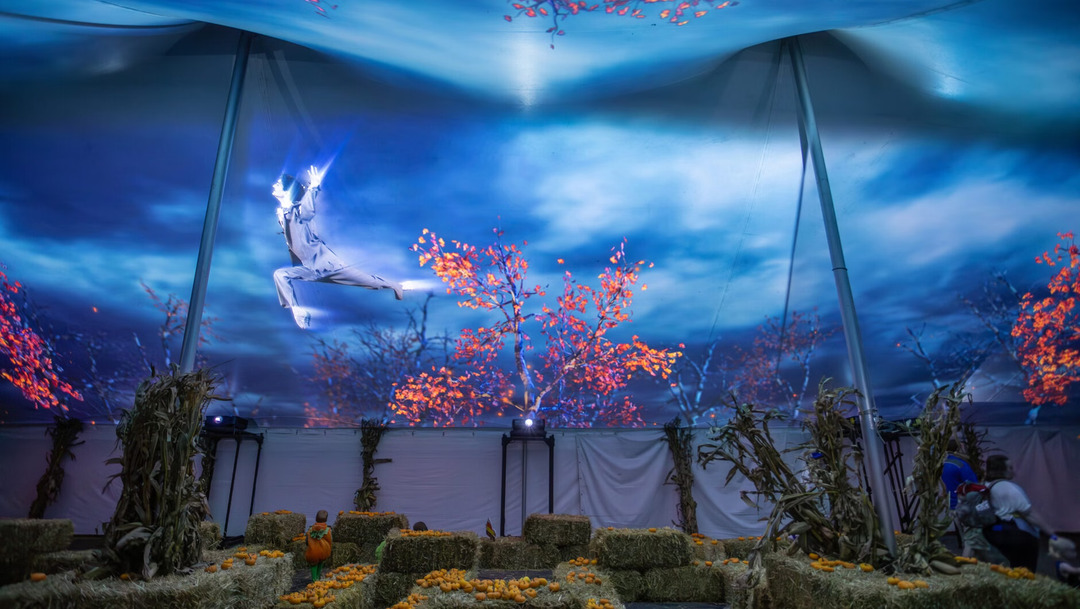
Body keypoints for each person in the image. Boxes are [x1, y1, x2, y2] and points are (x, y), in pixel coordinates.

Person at [273, 165, 403, 329]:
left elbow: (308, 211)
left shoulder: (298, 210)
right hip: (307, 268)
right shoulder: (284, 212)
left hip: (325, 265)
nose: (274, 185)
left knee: (364, 280)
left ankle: (394, 285)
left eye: (278, 184)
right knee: (281, 275)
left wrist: (313, 187)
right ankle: (298, 312)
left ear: (288, 190)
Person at [981, 454, 1058, 571]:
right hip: (1015, 534)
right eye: (1010, 468)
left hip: (994, 531)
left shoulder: (986, 485)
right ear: (1001, 470)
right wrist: (1052, 534)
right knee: (1024, 569)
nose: (1013, 471)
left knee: (1009, 566)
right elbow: (1030, 514)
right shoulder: (1009, 488)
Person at [940, 440, 981, 557]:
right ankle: (966, 560)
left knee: (963, 537)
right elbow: (973, 485)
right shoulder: (961, 464)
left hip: (951, 505)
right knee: (971, 537)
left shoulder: (942, 465)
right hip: (963, 505)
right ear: (958, 448)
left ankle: (965, 558)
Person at [304, 509, 333, 581]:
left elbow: (307, 541)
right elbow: (330, 540)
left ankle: (314, 580)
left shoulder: (310, 529)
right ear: (326, 519)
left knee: (314, 565)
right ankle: (318, 577)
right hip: (324, 551)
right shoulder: (328, 530)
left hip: (313, 552)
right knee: (321, 562)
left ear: (316, 518)